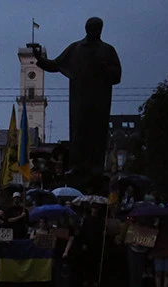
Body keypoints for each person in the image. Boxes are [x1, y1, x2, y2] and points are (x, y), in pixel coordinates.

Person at [32, 17, 122, 174]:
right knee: (79, 132)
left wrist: (103, 69)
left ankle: (96, 167)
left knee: (97, 134)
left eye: (98, 29)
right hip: (79, 100)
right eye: (93, 29)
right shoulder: (76, 49)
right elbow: (55, 65)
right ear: (87, 29)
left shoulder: (107, 50)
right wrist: (39, 59)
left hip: (99, 101)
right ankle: (77, 166)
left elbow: (117, 75)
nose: (96, 32)